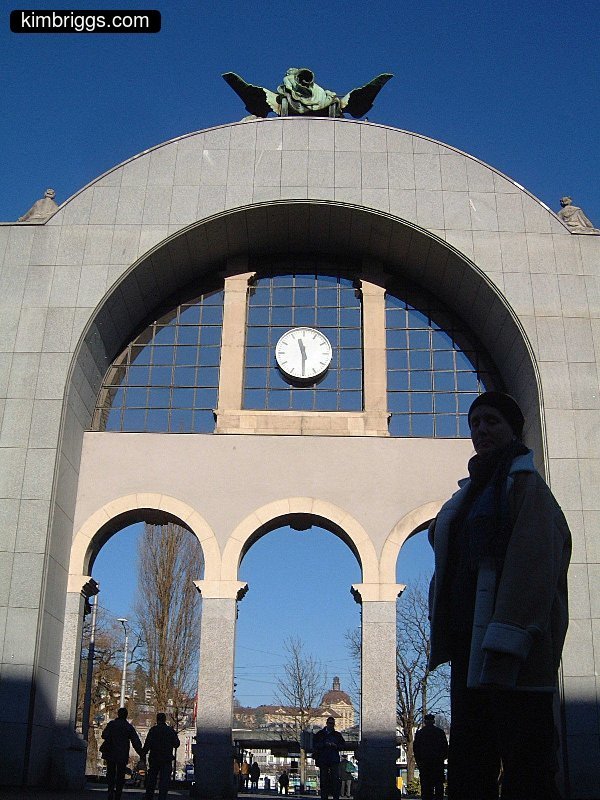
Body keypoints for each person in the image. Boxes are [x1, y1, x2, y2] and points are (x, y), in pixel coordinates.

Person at [428, 392, 571, 800]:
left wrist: (509, 637)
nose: (481, 430)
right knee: (472, 763)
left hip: (511, 654)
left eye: (491, 421)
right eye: (475, 424)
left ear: (512, 429)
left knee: (527, 766)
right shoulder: (469, 494)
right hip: (468, 650)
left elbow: (533, 567)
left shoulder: (525, 487)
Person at [100, 707, 144, 800]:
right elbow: (135, 741)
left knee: (111, 772)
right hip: (122, 754)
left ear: (118, 714)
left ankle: (110, 790)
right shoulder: (128, 727)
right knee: (120, 774)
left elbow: (104, 735)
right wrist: (141, 753)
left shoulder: (112, 724)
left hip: (110, 752)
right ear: (126, 715)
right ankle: (118, 793)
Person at [141, 712, 180, 800]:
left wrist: (143, 754)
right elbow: (176, 744)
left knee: (152, 779)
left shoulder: (153, 730)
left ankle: (149, 796)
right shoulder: (170, 730)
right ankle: (162, 797)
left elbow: (147, 744)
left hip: (154, 758)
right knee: (164, 780)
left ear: (157, 719)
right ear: (165, 720)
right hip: (166, 758)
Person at [413, 714, 448, 800]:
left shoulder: (420, 734)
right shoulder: (440, 733)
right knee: (438, 787)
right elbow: (445, 748)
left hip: (425, 765)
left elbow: (416, 750)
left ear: (425, 722)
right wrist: (441, 759)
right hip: (437, 764)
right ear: (434, 721)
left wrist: (419, 762)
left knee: (426, 788)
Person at [313, 716, 345, 800]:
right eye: (330, 723)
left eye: (333, 724)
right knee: (324, 780)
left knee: (335, 780)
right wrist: (324, 744)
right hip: (323, 759)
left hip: (333, 759)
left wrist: (336, 746)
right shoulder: (320, 734)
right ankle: (324, 797)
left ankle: (335, 797)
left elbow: (343, 745)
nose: (331, 725)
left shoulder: (337, 735)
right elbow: (315, 745)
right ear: (326, 723)